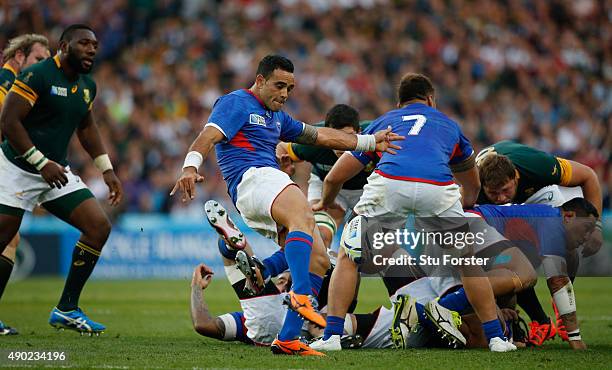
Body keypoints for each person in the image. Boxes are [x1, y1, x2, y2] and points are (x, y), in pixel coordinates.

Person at [172, 54, 402, 356]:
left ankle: (289, 337)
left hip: (258, 198)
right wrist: (190, 166)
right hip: (253, 178)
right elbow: (209, 135)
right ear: (260, 81)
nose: (284, 94)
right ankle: (300, 295)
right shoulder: (237, 102)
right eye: (279, 85)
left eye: (289, 89)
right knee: (305, 217)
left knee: (318, 259)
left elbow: (320, 135)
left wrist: (370, 142)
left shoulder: (278, 118)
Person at [310, 72, 516, 352]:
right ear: (431, 99)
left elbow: (335, 177)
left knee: (350, 255)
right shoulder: (449, 125)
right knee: (468, 262)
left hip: (390, 183)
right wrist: (463, 205)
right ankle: (496, 339)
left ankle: (332, 336)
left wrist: (326, 201)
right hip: (438, 187)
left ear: (400, 103)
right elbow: (473, 182)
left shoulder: (385, 122)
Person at [0, 24, 122, 334]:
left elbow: (87, 128)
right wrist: (40, 162)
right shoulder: (38, 74)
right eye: (84, 43)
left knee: (98, 227)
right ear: (64, 46)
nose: (92, 49)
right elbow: (9, 122)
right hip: (15, 168)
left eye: (95, 44)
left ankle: (67, 308)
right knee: (3, 238)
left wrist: (106, 170)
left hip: (54, 170)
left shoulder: (86, 85)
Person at [475, 141, 603, 344]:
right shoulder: (473, 187)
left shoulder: (536, 165)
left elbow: (588, 175)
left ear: (515, 177)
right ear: (483, 187)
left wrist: (595, 227)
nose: (500, 198)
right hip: (497, 213)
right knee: (508, 260)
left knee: (565, 243)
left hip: (536, 195)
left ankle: (562, 310)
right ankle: (539, 321)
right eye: (494, 193)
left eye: (505, 190)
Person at [0, 33, 50, 336]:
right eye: (38, 60)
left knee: (10, 238)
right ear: (20, 58)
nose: (43, 67)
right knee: (8, 238)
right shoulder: (7, 79)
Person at [277, 103, 374, 253]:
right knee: (320, 238)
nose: (341, 144)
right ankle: (319, 271)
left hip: (365, 190)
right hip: (324, 186)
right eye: (336, 137)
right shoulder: (314, 139)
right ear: (327, 134)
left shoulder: (373, 134)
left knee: (359, 248)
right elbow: (283, 148)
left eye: (347, 136)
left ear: (359, 132)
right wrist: (284, 166)